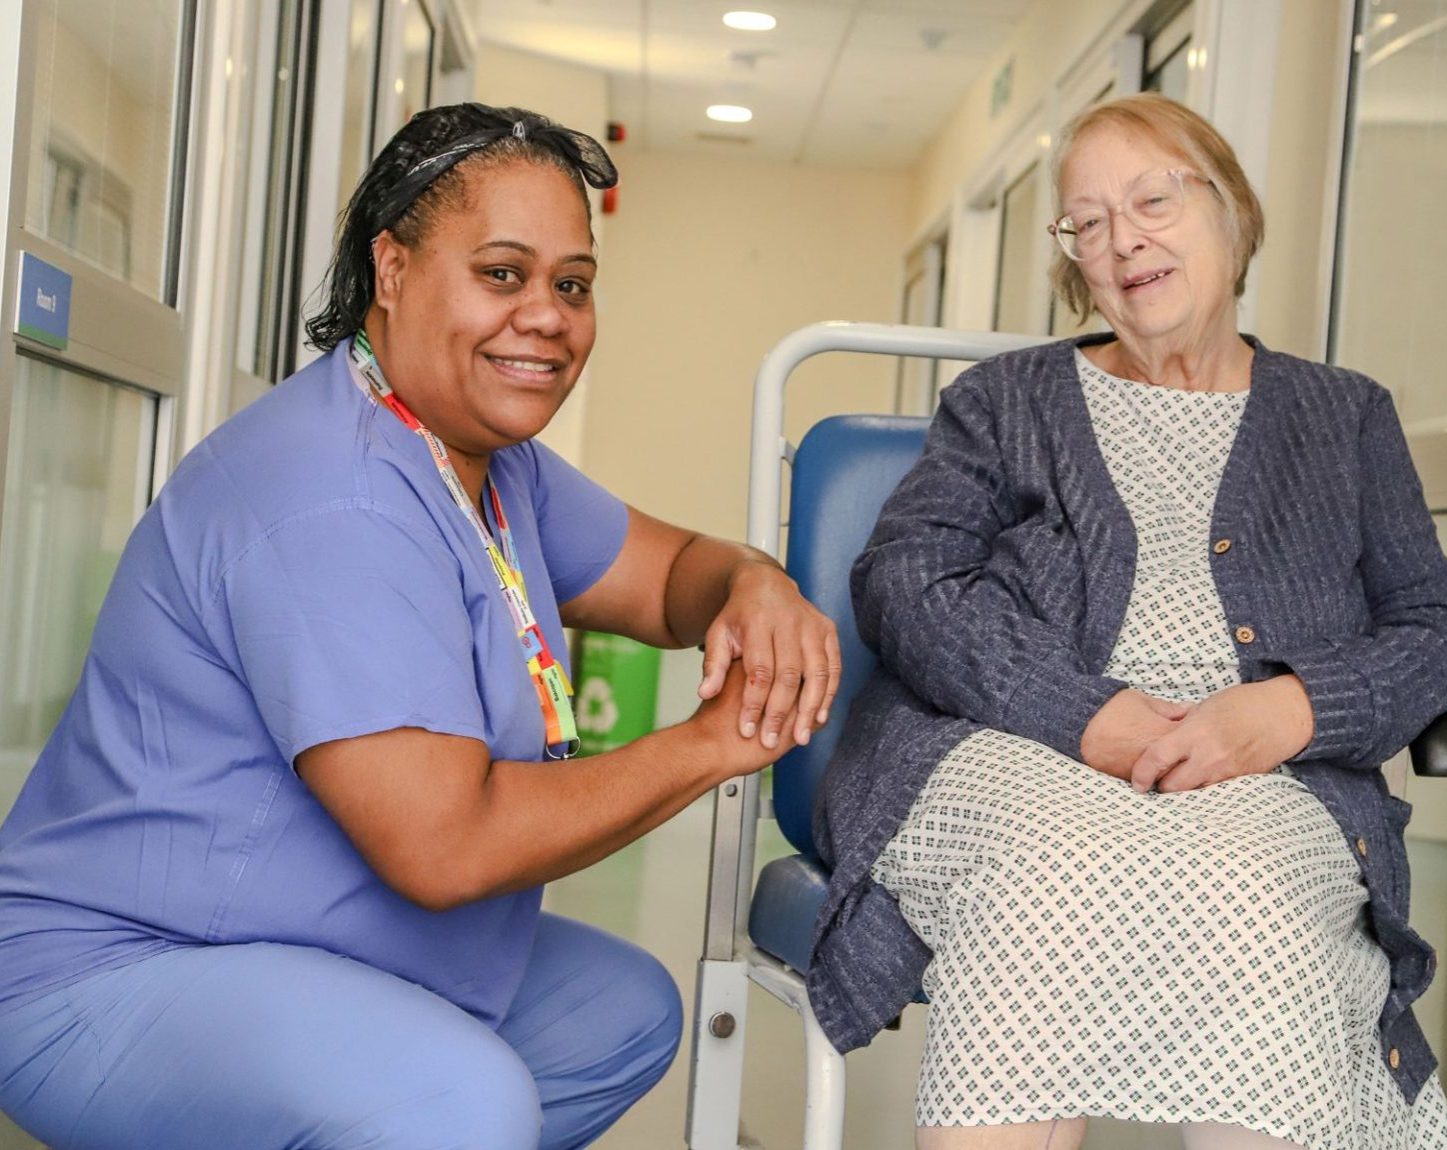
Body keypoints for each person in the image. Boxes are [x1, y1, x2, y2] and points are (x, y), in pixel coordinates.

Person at [0, 104, 839, 1150]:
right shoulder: (334, 493)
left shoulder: (479, 460)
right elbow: (444, 847)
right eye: (502, 273)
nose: (547, 314)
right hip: (123, 965)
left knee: (619, 1015)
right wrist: (718, 742)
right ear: (391, 269)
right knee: (460, 1098)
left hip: (306, 940)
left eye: (571, 284)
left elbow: (670, 574)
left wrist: (752, 583)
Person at [809, 93, 1447, 1149]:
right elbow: (908, 578)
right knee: (1049, 867)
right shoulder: (1005, 401)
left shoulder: (1345, 416)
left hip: (1263, 773)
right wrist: (1093, 715)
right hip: (1015, 746)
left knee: (1256, 892)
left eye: (1151, 200)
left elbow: (1434, 627)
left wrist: (1286, 713)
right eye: (1088, 223)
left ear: (1231, 213)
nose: (1122, 243)